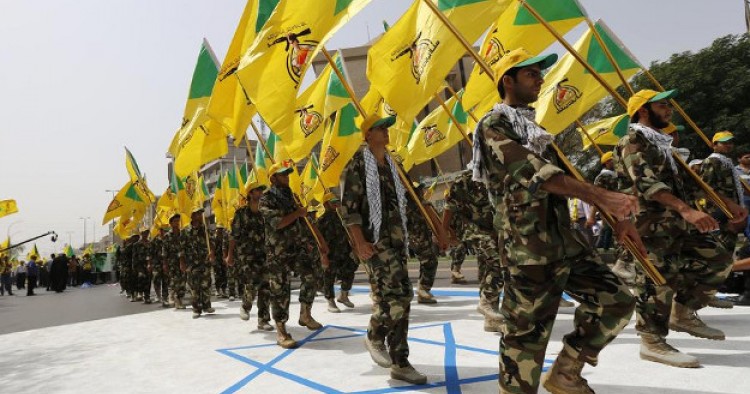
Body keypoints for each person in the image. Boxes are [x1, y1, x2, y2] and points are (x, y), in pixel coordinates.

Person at [472, 49, 640, 393]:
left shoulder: (536, 130)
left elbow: (566, 179)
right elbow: (536, 174)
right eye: (532, 73)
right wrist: (602, 196)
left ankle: (565, 373)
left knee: (617, 300)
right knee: (525, 336)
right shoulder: (494, 125)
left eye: (539, 73)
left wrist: (617, 219)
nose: (540, 79)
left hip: (564, 241)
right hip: (527, 249)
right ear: (509, 80)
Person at [614, 88, 746, 368]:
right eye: (662, 106)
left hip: (677, 225)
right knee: (656, 281)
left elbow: (691, 184)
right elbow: (647, 184)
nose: (669, 110)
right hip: (650, 226)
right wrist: (687, 210)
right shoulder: (633, 140)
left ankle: (683, 312)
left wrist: (727, 204)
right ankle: (651, 341)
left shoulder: (662, 144)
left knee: (720, 258)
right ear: (644, 111)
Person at [340, 114, 430, 385]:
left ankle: (400, 362)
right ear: (367, 135)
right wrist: (360, 243)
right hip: (374, 243)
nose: (386, 132)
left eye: (386, 128)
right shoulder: (356, 165)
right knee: (396, 298)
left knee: (403, 297)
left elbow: (403, 204)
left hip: (396, 242)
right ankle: (374, 335)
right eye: (380, 128)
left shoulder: (392, 165)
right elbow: (348, 209)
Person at [259, 163, 329, 348]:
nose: (287, 178)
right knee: (280, 289)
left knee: (312, 274)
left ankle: (305, 314)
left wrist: (319, 242)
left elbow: (305, 221)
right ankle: (281, 330)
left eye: (287, 175)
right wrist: (297, 213)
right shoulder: (266, 199)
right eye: (282, 175)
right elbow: (278, 223)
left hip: (297, 248)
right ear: (273, 179)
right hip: (278, 251)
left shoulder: (293, 197)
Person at [443, 168, 506, 332]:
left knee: (487, 271)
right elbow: (449, 207)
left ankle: (491, 319)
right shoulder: (464, 179)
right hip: (473, 229)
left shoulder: (500, 175)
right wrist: (444, 232)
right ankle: (486, 301)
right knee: (499, 262)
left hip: (495, 230)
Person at [227, 180, 273, 331]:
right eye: (257, 191)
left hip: (264, 254)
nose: (260, 193)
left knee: (265, 287)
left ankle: (263, 319)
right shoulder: (241, 213)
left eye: (261, 191)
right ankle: (245, 306)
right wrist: (230, 255)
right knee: (251, 284)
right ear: (250, 194)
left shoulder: (265, 211)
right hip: (247, 255)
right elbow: (233, 236)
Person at [316, 193, 359, 312]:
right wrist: (322, 255)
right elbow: (318, 239)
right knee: (329, 276)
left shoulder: (341, 216)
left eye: (337, 201)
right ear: (325, 204)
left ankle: (343, 295)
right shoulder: (321, 219)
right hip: (331, 253)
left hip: (344, 251)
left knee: (350, 269)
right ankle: (330, 301)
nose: (336, 204)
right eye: (333, 202)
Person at [180, 207, 216, 318]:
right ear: (192, 216)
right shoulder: (185, 231)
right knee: (194, 286)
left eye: (201, 214)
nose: (200, 216)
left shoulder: (205, 229)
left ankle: (206, 305)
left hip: (204, 261)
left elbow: (212, 242)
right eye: (197, 214)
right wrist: (182, 263)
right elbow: (181, 249)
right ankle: (196, 309)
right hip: (191, 263)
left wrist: (212, 253)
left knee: (206, 284)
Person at [164, 213, 186, 309]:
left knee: (183, 281)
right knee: (175, 281)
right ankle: (175, 299)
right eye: (175, 221)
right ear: (171, 223)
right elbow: (164, 251)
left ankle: (179, 299)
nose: (177, 223)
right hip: (172, 262)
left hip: (183, 262)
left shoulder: (183, 234)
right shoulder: (167, 236)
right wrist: (165, 264)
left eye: (178, 221)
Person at [132, 229, 152, 304]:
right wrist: (134, 267)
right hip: (140, 265)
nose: (145, 234)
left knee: (148, 280)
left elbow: (152, 254)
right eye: (144, 233)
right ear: (141, 234)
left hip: (149, 264)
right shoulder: (136, 245)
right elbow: (134, 257)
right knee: (141, 279)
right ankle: (140, 293)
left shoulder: (150, 243)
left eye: (147, 233)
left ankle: (147, 296)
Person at [211, 225, 229, 299]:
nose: (220, 230)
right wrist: (213, 258)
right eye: (219, 229)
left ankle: (223, 290)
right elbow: (212, 249)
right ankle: (217, 290)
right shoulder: (214, 238)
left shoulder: (224, 237)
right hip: (217, 258)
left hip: (223, 258)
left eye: (221, 229)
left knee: (225, 274)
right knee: (217, 274)